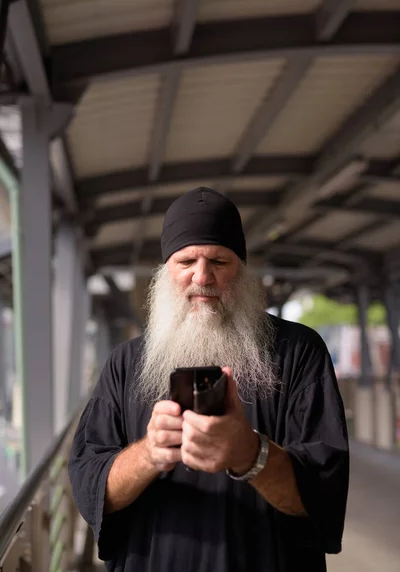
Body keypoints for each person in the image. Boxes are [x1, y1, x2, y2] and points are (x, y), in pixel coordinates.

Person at [68, 187, 349, 572]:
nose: (203, 276)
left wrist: (249, 454)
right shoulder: (125, 363)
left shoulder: (299, 351)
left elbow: (325, 490)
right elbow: (90, 490)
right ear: (165, 271)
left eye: (219, 260)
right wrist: (149, 453)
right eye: (187, 261)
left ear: (243, 269)